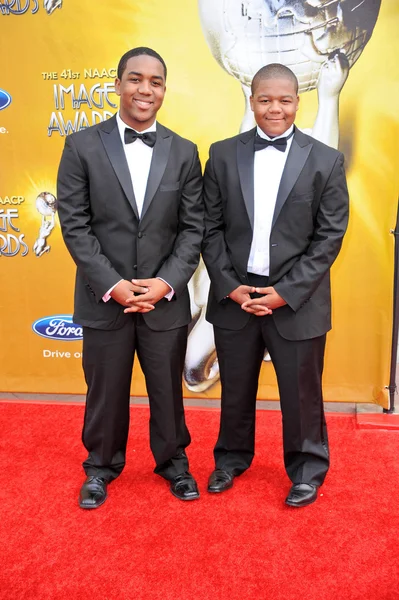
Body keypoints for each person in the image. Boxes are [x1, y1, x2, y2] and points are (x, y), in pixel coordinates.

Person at [57, 47, 203, 508]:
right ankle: (100, 468)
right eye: (135, 79)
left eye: (155, 81)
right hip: (105, 299)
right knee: (105, 392)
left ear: (164, 90)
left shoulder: (184, 151)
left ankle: (174, 465)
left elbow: (193, 228)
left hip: (164, 300)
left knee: (167, 392)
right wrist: (114, 286)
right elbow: (75, 225)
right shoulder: (81, 145)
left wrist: (165, 283)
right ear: (117, 85)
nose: (145, 89)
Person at [201, 63, 349, 507]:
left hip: (297, 300)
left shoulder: (325, 159)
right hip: (235, 297)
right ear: (252, 100)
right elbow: (209, 229)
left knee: (303, 393)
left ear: (298, 102)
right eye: (265, 99)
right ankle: (230, 459)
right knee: (236, 387)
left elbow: (330, 235)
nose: (275, 108)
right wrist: (231, 286)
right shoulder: (222, 154)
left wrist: (287, 292)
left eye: (284, 99)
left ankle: (306, 469)